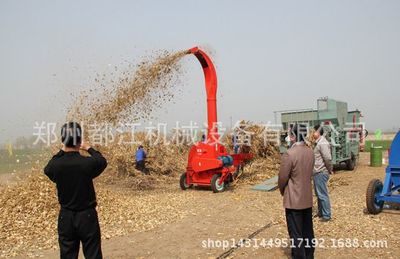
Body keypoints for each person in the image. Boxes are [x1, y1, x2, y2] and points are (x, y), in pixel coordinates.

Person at [44, 122, 107, 259]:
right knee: (93, 254)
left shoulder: (56, 165)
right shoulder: (86, 163)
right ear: (79, 140)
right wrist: (88, 148)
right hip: (87, 216)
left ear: (63, 140)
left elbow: (47, 169)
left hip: (66, 216)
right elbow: (102, 161)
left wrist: (62, 150)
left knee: (67, 255)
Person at [278, 124, 315, 259]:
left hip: (294, 200)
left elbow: (282, 177)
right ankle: (310, 255)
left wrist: (282, 190)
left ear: (293, 136)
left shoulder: (290, 154)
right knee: (307, 230)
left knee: (296, 233)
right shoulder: (310, 151)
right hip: (307, 197)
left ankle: (299, 256)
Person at [312, 124, 333, 222]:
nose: (312, 133)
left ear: (318, 132)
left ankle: (326, 215)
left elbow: (328, 158)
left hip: (321, 171)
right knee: (319, 194)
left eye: (314, 131)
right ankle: (321, 212)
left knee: (322, 194)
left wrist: (329, 169)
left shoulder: (322, 143)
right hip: (317, 172)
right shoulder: (318, 142)